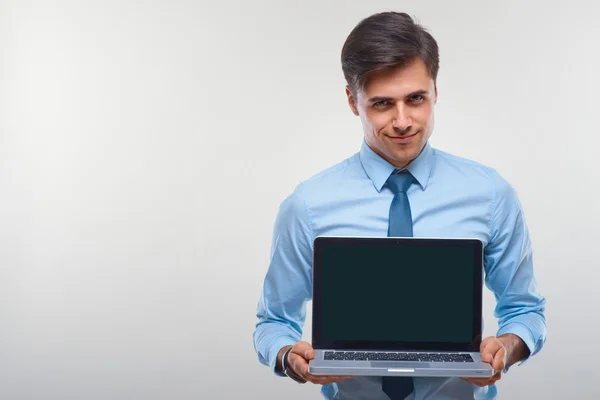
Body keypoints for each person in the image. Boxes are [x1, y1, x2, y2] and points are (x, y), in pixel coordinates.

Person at [253, 11, 546, 400]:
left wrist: (505, 351)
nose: (403, 120)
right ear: (352, 101)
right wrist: (291, 356)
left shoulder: (491, 193)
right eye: (382, 104)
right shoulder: (307, 204)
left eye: (416, 99)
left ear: (435, 92)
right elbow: (273, 323)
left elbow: (526, 311)